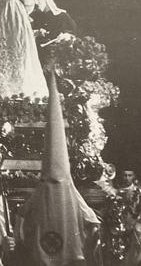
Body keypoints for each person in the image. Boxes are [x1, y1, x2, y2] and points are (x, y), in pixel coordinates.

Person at [17, 72, 102, 266]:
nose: (53, 185)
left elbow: (93, 221)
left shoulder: (71, 195)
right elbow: (21, 219)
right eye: (50, 181)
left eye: (58, 182)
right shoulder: (40, 194)